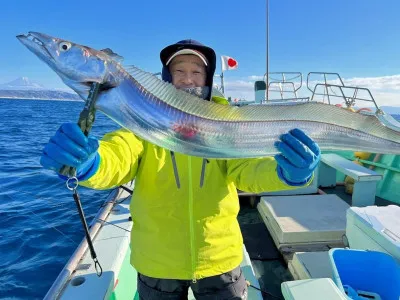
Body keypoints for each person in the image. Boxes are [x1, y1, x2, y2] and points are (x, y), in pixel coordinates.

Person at [40, 39, 321, 300]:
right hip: (157, 264)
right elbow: (120, 153)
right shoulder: (145, 123)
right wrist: (92, 163)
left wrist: (289, 173)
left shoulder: (229, 126)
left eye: (197, 72)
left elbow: (248, 169)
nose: (188, 78)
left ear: (208, 79)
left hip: (219, 260)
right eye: (179, 71)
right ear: (167, 78)